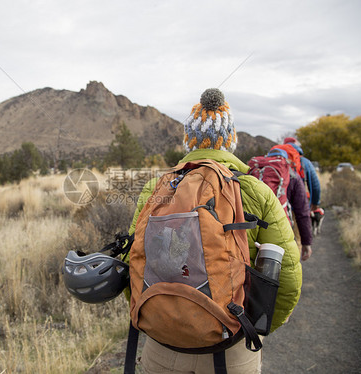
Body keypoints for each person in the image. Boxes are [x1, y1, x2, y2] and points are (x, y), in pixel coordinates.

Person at [127, 88, 302, 374]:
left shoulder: (155, 188)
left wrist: (156, 316)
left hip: (162, 347)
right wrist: (256, 326)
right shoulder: (254, 189)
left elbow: (132, 262)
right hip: (231, 345)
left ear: (189, 141)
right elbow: (288, 277)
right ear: (230, 141)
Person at [265, 148, 313, 261]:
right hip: (286, 227)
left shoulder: (259, 173)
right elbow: (302, 212)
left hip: (261, 227)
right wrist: (307, 242)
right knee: (290, 262)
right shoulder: (293, 176)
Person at [283, 137, 321, 211]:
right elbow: (315, 186)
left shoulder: (275, 161)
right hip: (297, 205)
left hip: (278, 205)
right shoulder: (304, 161)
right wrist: (315, 204)